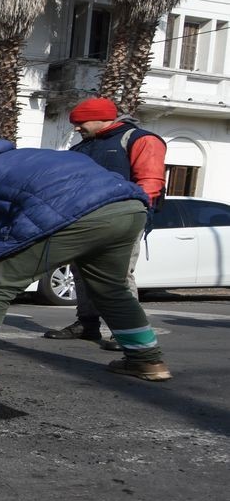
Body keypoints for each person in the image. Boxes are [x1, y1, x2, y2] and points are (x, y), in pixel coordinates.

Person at [0, 139, 171, 382]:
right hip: (128, 208)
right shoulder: (21, 158)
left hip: (74, 211)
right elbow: (2, 222)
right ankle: (147, 360)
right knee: (111, 291)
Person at [44, 97, 167, 350]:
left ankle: (127, 333)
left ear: (102, 118)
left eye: (81, 122)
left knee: (119, 276)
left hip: (123, 219)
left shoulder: (139, 139)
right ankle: (87, 324)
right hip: (84, 220)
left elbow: (150, 183)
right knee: (81, 271)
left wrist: (138, 214)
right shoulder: (81, 148)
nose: (77, 128)